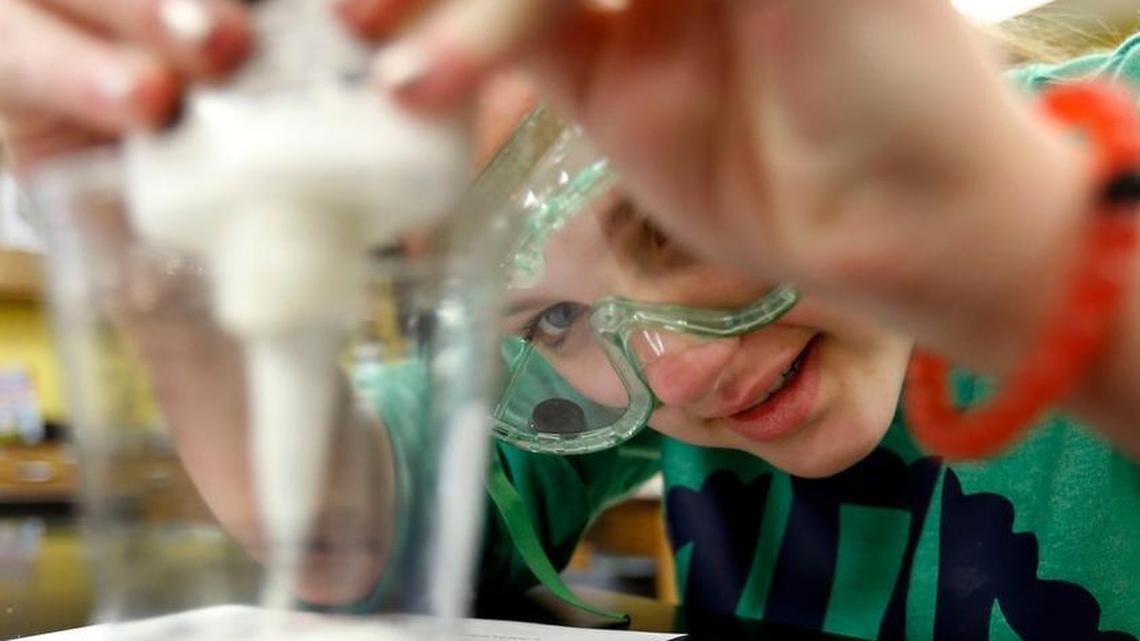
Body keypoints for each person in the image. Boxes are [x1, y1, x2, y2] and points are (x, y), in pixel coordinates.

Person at [2, 0, 1139, 639]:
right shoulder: (623, 378)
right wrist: (150, 252)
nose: (681, 378)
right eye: (547, 321)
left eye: (673, 222)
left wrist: (994, 235)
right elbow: (345, 540)